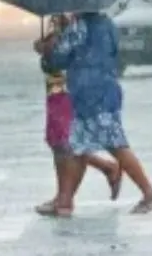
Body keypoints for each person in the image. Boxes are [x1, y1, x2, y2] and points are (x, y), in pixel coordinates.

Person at [38, 10, 152, 217]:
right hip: (103, 89)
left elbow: (59, 60)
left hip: (90, 94)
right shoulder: (107, 24)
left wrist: (47, 50)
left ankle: (149, 193)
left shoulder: (79, 27)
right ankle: (65, 202)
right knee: (77, 147)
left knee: (116, 145)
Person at [34, 14, 122, 216]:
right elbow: (52, 60)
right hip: (55, 88)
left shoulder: (79, 25)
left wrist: (50, 49)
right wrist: (45, 47)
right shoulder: (62, 22)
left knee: (69, 143)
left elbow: (67, 57)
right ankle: (101, 171)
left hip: (72, 90)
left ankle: (65, 199)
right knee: (58, 142)